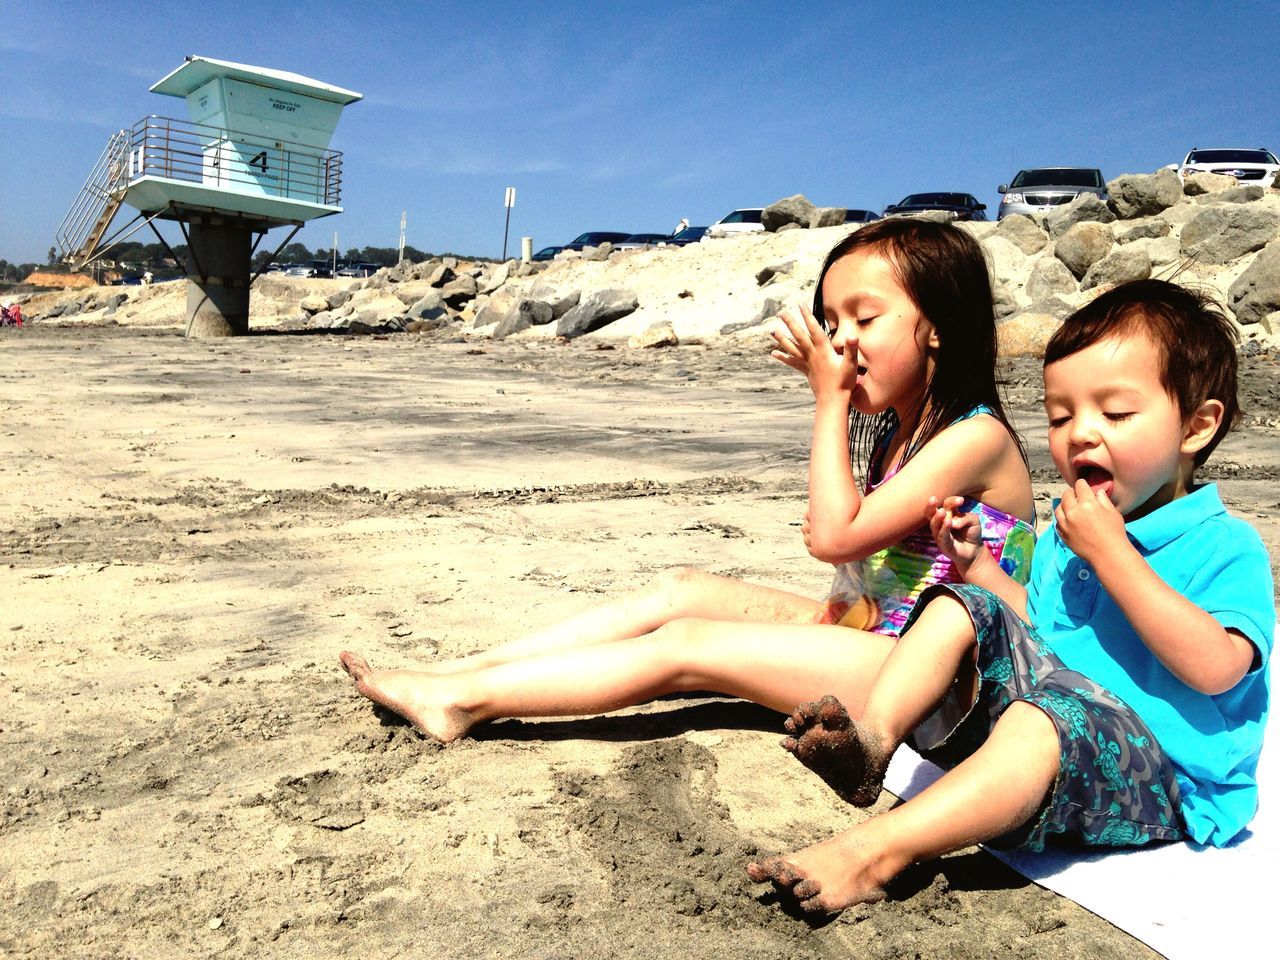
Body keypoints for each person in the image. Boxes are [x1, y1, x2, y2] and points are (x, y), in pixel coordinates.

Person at [338, 219, 1035, 743]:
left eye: (863, 319)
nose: (838, 342)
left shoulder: (975, 437)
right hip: (870, 635)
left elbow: (832, 536)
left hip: (932, 686)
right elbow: (856, 554)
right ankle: (463, 671)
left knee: (686, 646)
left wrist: (827, 403)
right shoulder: (898, 429)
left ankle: (468, 702)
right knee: (680, 590)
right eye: (829, 322)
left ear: (938, 328)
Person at [749, 279, 1274, 913]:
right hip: (1054, 719)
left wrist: (1112, 554)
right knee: (961, 601)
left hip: (1162, 772)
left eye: (1115, 414)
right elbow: (1041, 625)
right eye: (1060, 416)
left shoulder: (1224, 547)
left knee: (1048, 715)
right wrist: (980, 570)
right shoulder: (1072, 530)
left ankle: (875, 853)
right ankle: (872, 743)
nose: (1080, 435)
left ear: (1196, 427)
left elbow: (1217, 669)